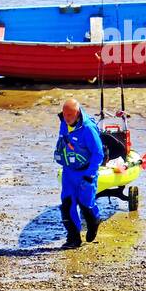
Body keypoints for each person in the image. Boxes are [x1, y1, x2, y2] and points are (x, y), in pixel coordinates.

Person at [53, 98, 104, 248]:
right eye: (65, 114)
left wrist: (90, 175)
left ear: (78, 113)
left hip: (86, 173)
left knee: (85, 204)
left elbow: (98, 154)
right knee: (67, 204)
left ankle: (94, 221)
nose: (67, 118)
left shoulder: (88, 128)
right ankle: (73, 238)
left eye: (70, 115)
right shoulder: (63, 122)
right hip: (69, 172)